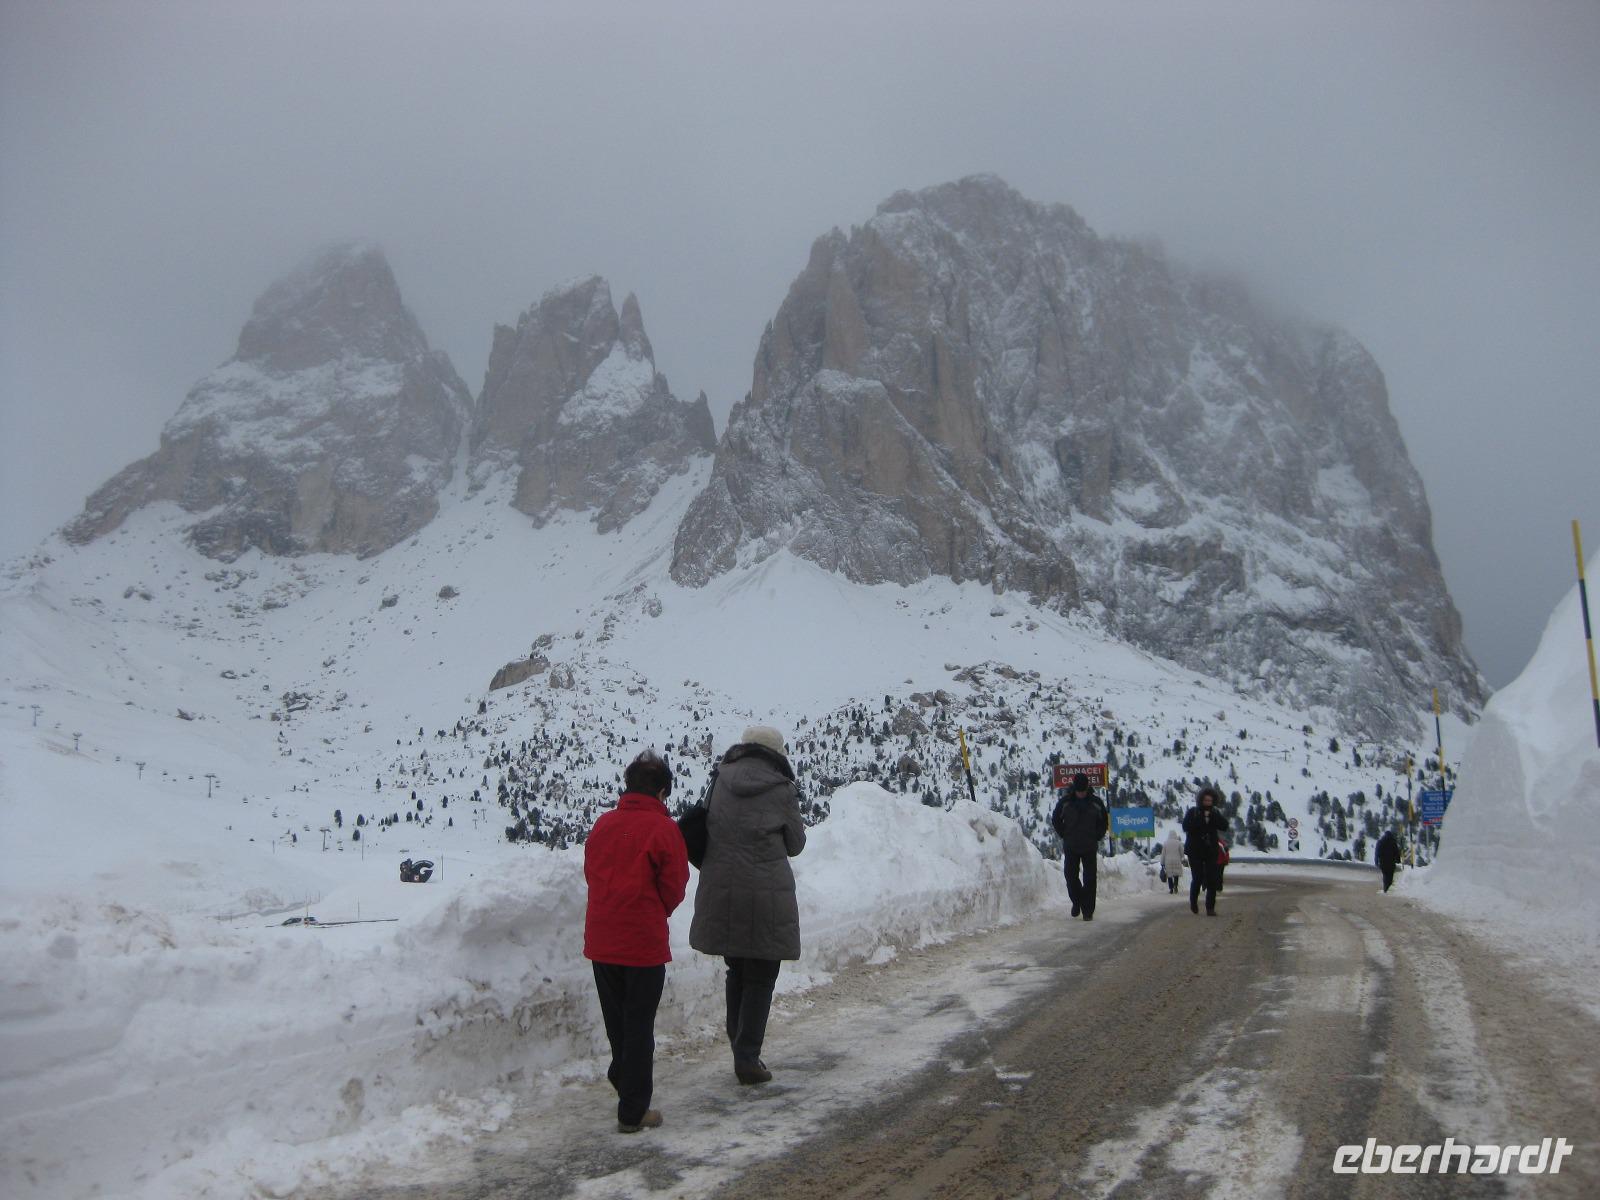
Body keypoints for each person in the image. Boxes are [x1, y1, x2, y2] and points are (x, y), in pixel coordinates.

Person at [689, 725, 806, 1085]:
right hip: (765, 891)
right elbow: (795, 843)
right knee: (762, 974)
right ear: (776, 753)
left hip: (722, 888)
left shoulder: (719, 779)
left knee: (737, 967)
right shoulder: (781, 789)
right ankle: (748, 1056)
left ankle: (737, 1038)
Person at [583, 749, 689, 1133]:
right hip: (641, 942)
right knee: (640, 1025)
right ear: (662, 791)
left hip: (602, 938)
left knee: (618, 1022)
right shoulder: (664, 829)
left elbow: (591, 873)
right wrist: (654, 908)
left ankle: (623, 1075)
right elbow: (675, 885)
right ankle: (633, 1110)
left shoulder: (603, 824)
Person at [1050, 773, 1109, 920]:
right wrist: (1064, 834)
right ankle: (1077, 901)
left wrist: (1097, 836)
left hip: (1089, 846)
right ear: (1074, 789)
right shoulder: (1065, 803)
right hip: (1071, 846)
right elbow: (1056, 819)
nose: (1081, 794)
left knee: (1090, 879)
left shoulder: (1096, 803)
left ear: (1087, 788)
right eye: (1079, 791)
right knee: (1070, 877)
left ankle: (1088, 911)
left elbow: (1104, 822)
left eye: (1083, 791)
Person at [1182, 786, 1229, 916]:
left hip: (1211, 850)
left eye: (1210, 801)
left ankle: (1210, 908)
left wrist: (1213, 817)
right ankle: (1193, 902)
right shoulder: (1193, 812)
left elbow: (1224, 826)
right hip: (1195, 851)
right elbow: (1186, 826)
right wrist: (1200, 821)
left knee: (1212, 879)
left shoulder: (1215, 813)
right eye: (1206, 800)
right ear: (1200, 800)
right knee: (1197, 878)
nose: (1208, 803)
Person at [1376, 828, 1401, 892]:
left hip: (1383, 862)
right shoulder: (1393, 842)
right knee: (1390, 875)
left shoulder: (1381, 841)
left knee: (1385, 874)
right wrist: (1398, 860)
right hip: (1391, 862)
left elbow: (1377, 852)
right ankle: (1388, 886)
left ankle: (1385, 887)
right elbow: (1397, 852)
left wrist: (1376, 861)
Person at [1160, 828, 1185, 895]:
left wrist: (1162, 862)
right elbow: (1182, 852)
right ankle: (1175, 886)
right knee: (1176, 874)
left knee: (1170, 875)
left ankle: (1171, 889)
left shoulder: (1166, 843)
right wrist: (1182, 857)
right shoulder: (1178, 843)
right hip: (1177, 860)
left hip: (1168, 861)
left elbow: (1163, 854)